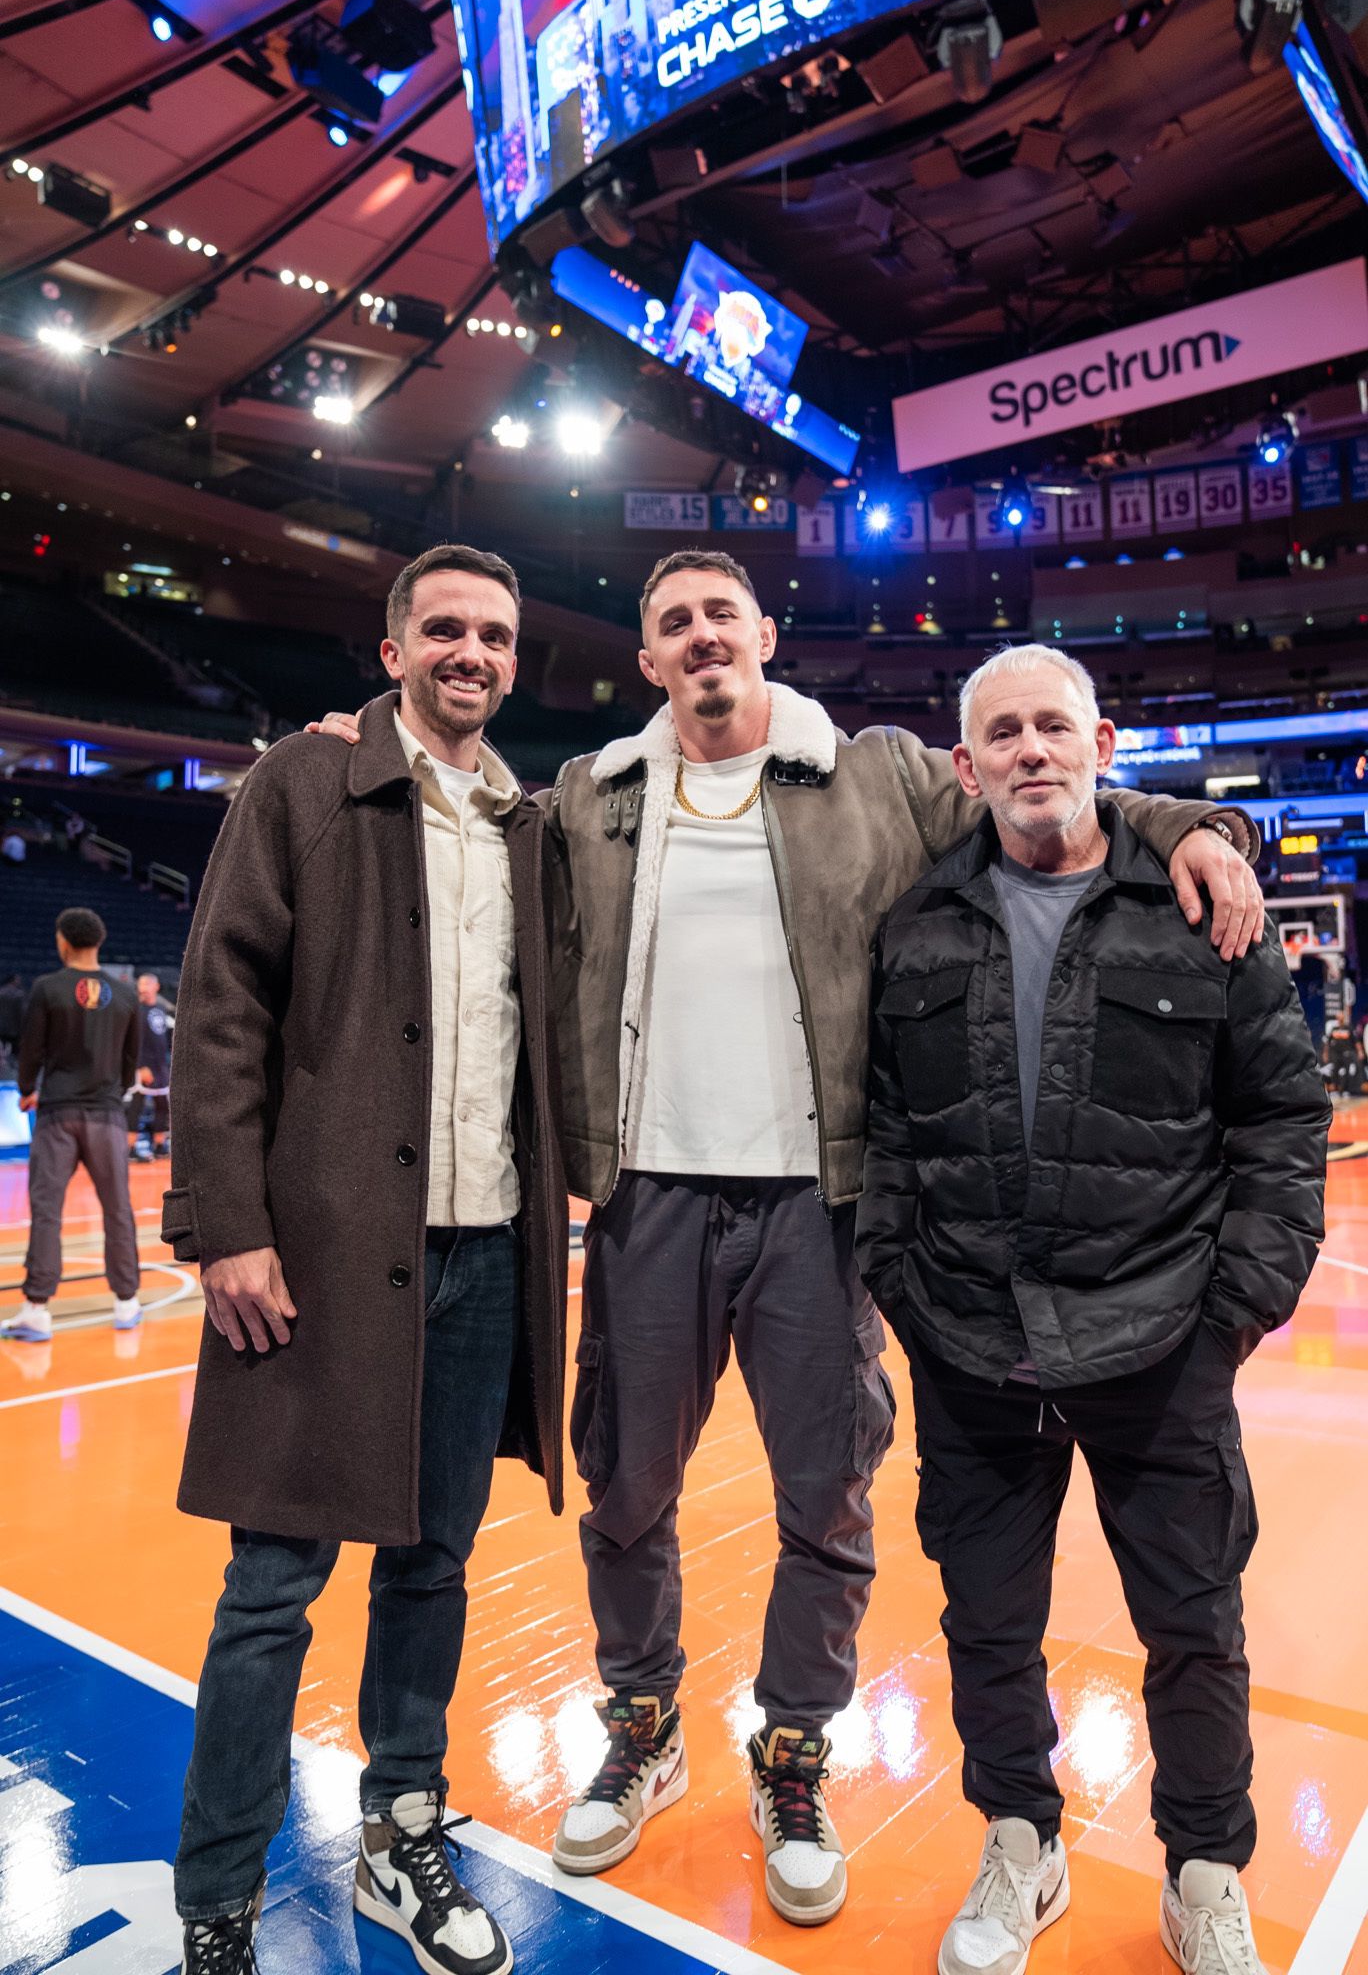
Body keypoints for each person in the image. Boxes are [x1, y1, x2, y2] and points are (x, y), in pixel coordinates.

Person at [313, 554, 1263, 1926]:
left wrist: (1187, 825)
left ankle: (797, 1747)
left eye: (720, 616)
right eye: (671, 623)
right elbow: (442, 804)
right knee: (625, 1485)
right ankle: (641, 1723)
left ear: (765, 635)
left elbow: (1043, 789)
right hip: (647, 1200)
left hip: (825, 1204)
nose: (701, 638)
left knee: (829, 1501)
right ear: (649, 662)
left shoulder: (875, 772)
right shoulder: (591, 795)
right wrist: (341, 740)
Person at [855, 643, 1329, 1975]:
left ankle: (1203, 1867)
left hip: (1163, 1337)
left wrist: (1237, 1302)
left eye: (1052, 727)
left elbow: (1284, 1112)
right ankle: (1022, 1840)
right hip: (967, 1339)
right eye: (1000, 734)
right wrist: (899, 1270)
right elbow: (887, 1127)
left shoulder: (1199, 908)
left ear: (1103, 743)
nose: (1029, 752)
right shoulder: (917, 922)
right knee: (987, 1625)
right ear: (965, 766)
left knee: (1195, 1625)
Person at [163, 545, 567, 1975]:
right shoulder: (302, 783)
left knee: (433, 1567)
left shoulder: (533, 821)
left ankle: (403, 1834)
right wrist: (228, 1228)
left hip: (484, 1255)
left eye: (495, 636)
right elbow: (219, 1008)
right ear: (391, 649)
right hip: (320, 1259)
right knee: (271, 1587)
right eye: (444, 629)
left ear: (517, 661)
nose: (471, 653)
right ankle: (216, 1895)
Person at [2, 908, 142, 1343]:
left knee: (47, 1212)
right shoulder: (126, 995)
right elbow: (129, 1061)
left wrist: (27, 1086)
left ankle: (37, 1310)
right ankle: (126, 1303)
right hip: (106, 1115)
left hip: (57, 1114)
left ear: (63, 941)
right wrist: (111, 1093)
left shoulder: (46, 988)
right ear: (98, 942)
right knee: (118, 1210)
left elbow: (31, 1050)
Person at [128, 971, 172, 1161]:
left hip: (160, 1065)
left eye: (147, 984)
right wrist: (139, 1067)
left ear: (156, 987)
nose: (143, 988)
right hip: (141, 1066)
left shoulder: (162, 1009)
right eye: (141, 984)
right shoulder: (135, 1010)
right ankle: (129, 1149)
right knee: (135, 1106)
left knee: (162, 1106)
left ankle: (159, 1145)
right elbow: (130, 1041)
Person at [0, 971, 24, 1073]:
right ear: (13, 980)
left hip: (1, 1027)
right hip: (14, 1028)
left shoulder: (0, 992)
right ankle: (14, 1070)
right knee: (15, 1052)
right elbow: (21, 1013)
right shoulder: (19, 995)